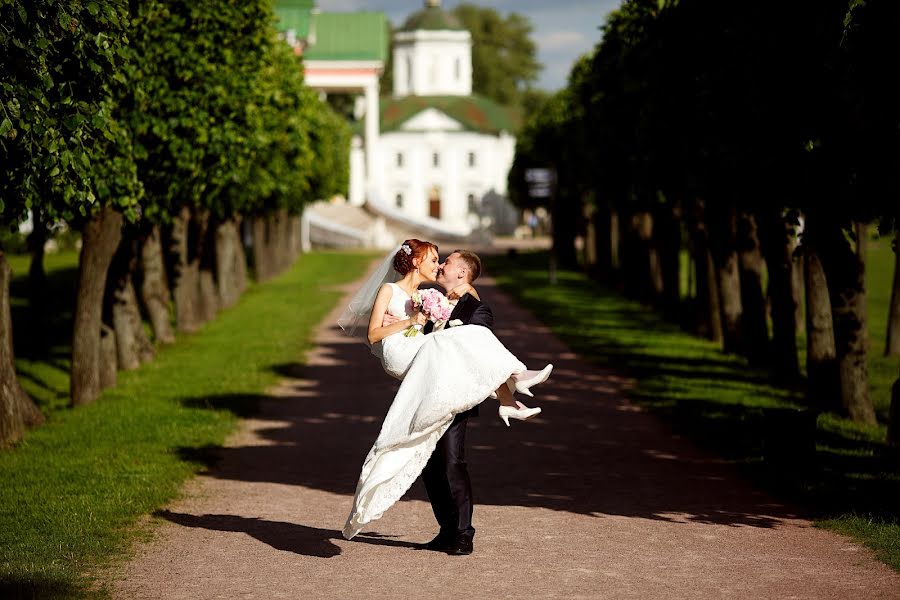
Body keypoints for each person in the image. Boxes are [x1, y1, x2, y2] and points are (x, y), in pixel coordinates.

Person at [338, 239, 553, 543]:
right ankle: (510, 390)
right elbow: (390, 332)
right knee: (431, 465)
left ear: (462, 273)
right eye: (435, 259)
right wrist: (407, 321)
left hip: (454, 392)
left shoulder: (476, 308)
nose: (439, 265)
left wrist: (433, 311)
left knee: (450, 461)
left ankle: (462, 533)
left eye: (445, 261)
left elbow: (476, 342)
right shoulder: (426, 297)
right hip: (426, 381)